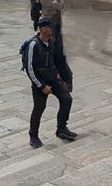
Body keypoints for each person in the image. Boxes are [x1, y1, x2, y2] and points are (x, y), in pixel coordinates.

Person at [24, 18, 77, 148]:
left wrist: (62, 76)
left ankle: (62, 128)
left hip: (53, 79)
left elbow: (58, 60)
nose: (51, 30)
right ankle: (34, 136)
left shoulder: (52, 42)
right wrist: (41, 86)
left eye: (51, 27)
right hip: (40, 82)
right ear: (42, 29)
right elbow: (29, 68)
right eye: (48, 27)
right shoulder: (33, 45)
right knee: (39, 109)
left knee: (66, 99)